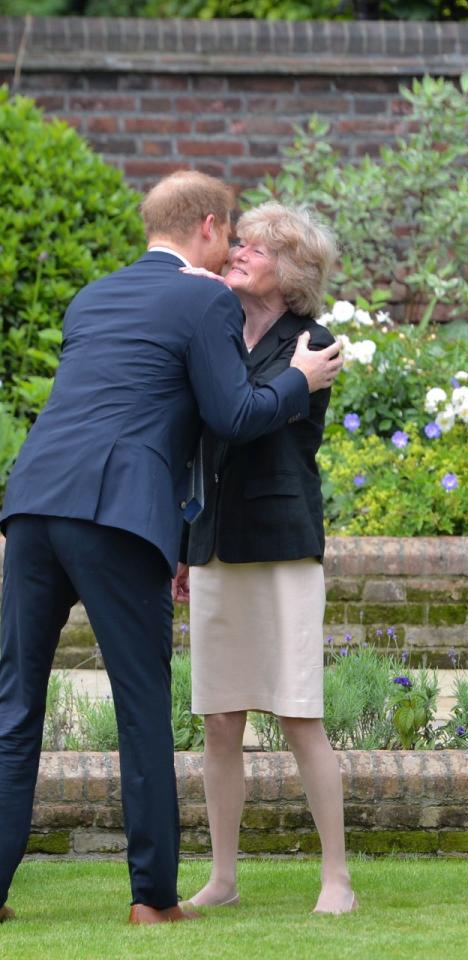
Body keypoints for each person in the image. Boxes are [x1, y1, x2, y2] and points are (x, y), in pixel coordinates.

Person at [0, 172, 343, 926]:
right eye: (235, 235)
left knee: (15, 704)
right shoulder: (206, 299)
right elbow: (230, 410)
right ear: (212, 228)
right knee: (141, 709)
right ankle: (152, 899)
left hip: (30, 501)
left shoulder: (93, 296)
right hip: (118, 515)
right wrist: (297, 381)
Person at [173, 202, 356, 916]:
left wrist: (290, 381)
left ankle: (336, 877)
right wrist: (189, 545)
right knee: (221, 720)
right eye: (240, 242)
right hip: (216, 545)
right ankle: (222, 878)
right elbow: (203, 444)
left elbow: (246, 419)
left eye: (258, 246)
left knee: (299, 713)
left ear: (293, 269)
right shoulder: (217, 330)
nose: (240, 250)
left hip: (281, 547)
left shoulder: (316, 342)